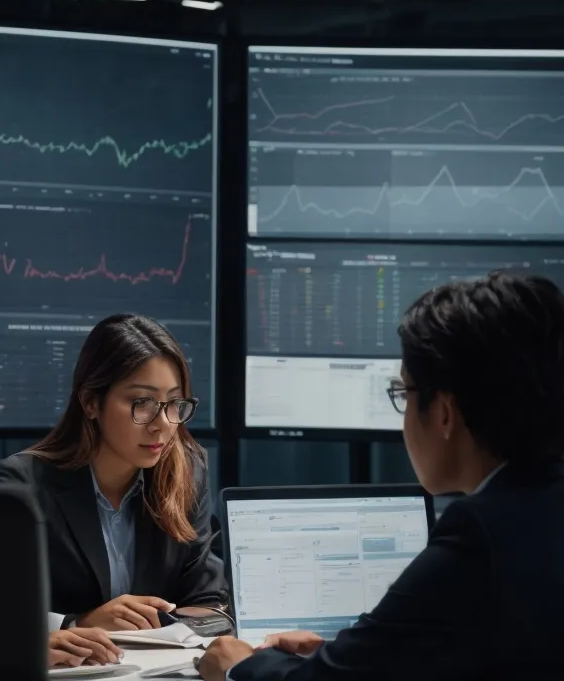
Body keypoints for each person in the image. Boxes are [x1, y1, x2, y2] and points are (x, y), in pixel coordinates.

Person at [199, 272, 564, 681]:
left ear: (443, 412)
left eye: (403, 394)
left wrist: (240, 667)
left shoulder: (481, 533)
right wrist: (354, 652)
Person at [0, 314, 228, 632]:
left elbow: (209, 595)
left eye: (173, 403)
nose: (164, 423)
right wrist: (77, 623)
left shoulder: (186, 473)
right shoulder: (21, 487)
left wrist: (181, 622)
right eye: (142, 403)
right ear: (90, 402)